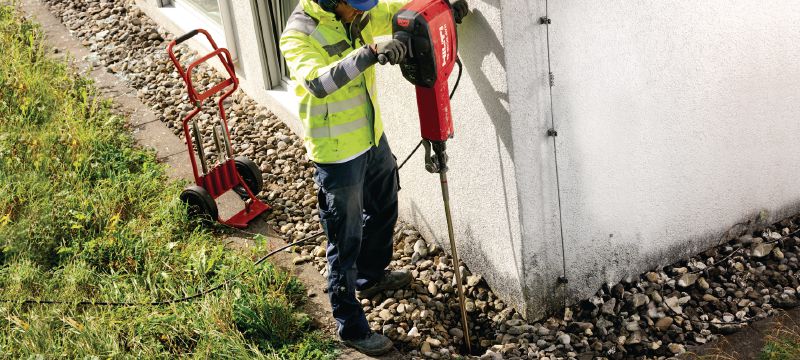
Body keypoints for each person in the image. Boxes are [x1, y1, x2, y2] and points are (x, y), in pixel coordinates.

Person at [280, 0, 469, 355]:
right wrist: (369, 52)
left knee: (384, 205)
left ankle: (371, 276)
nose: (366, 12)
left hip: (371, 136)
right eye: (356, 5)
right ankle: (350, 326)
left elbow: (406, 11)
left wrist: (443, 10)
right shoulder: (298, 35)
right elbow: (318, 82)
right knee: (344, 237)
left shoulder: (361, 12)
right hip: (337, 152)